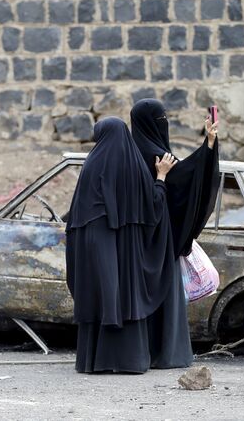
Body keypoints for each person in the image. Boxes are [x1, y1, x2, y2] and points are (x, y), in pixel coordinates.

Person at [65, 117, 178, 374]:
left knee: (98, 295)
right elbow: (153, 208)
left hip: (91, 245)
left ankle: (92, 362)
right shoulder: (134, 166)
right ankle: (127, 361)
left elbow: (75, 217)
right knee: (124, 294)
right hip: (124, 247)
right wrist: (161, 177)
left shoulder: (90, 166)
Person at [130, 99, 220, 369]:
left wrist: (209, 144)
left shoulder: (130, 154)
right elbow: (187, 180)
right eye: (161, 118)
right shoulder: (157, 157)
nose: (165, 123)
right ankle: (167, 354)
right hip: (160, 243)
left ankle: (143, 354)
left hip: (136, 245)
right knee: (164, 299)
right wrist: (208, 147)